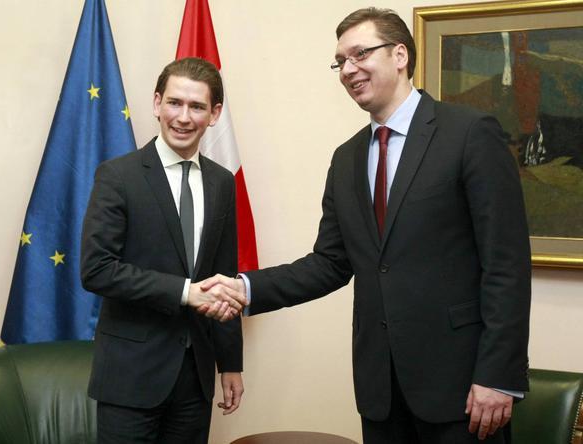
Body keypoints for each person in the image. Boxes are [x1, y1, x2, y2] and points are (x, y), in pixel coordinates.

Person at [201, 8, 531, 443]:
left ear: (400, 55)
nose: (348, 69)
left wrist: (498, 375)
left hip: (463, 388)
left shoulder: (469, 133)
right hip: (381, 392)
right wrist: (246, 288)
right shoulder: (347, 158)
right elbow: (330, 263)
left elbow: (506, 263)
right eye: (340, 61)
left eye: (360, 54)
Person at [81, 57, 247, 444]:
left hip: (195, 377)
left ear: (214, 114)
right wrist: (185, 292)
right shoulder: (118, 176)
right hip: (129, 376)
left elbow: (224, 277)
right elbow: (97, 269)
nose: (183, 117)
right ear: (157, 104)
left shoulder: (222, 183)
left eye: (197, 106)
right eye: (174, 103)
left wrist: (230, 363)